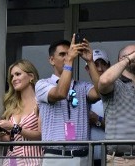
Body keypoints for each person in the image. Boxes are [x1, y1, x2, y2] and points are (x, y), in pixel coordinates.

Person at [35, 36, 100, 166]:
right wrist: (69, 61)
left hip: (82, 156)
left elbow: (100, 93)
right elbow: (60, 93)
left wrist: (90, 61)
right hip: (55, 155)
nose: (66, 57)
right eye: (62, 54)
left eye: (68, 54)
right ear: (52, 60)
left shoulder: (82, 86)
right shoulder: (42, 84)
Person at [0, 59, 43, 166]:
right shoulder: (12, 104)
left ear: (31, 76)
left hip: (33, 161)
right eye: (12, 76)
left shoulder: (40, 103)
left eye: (18, 74)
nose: (14, 79)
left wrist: (14, 127)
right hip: (11, 161)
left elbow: (41, 135)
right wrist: (1, 135)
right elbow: (13, 140)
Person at [88, 49, 110, 166]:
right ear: (88, 69)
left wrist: (98, 120)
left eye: (104, 64)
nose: (100, 69)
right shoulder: (82, 92)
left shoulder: (116, 91)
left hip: (111, 157)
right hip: (87, 157)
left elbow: (122, 127)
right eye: (95, 65)